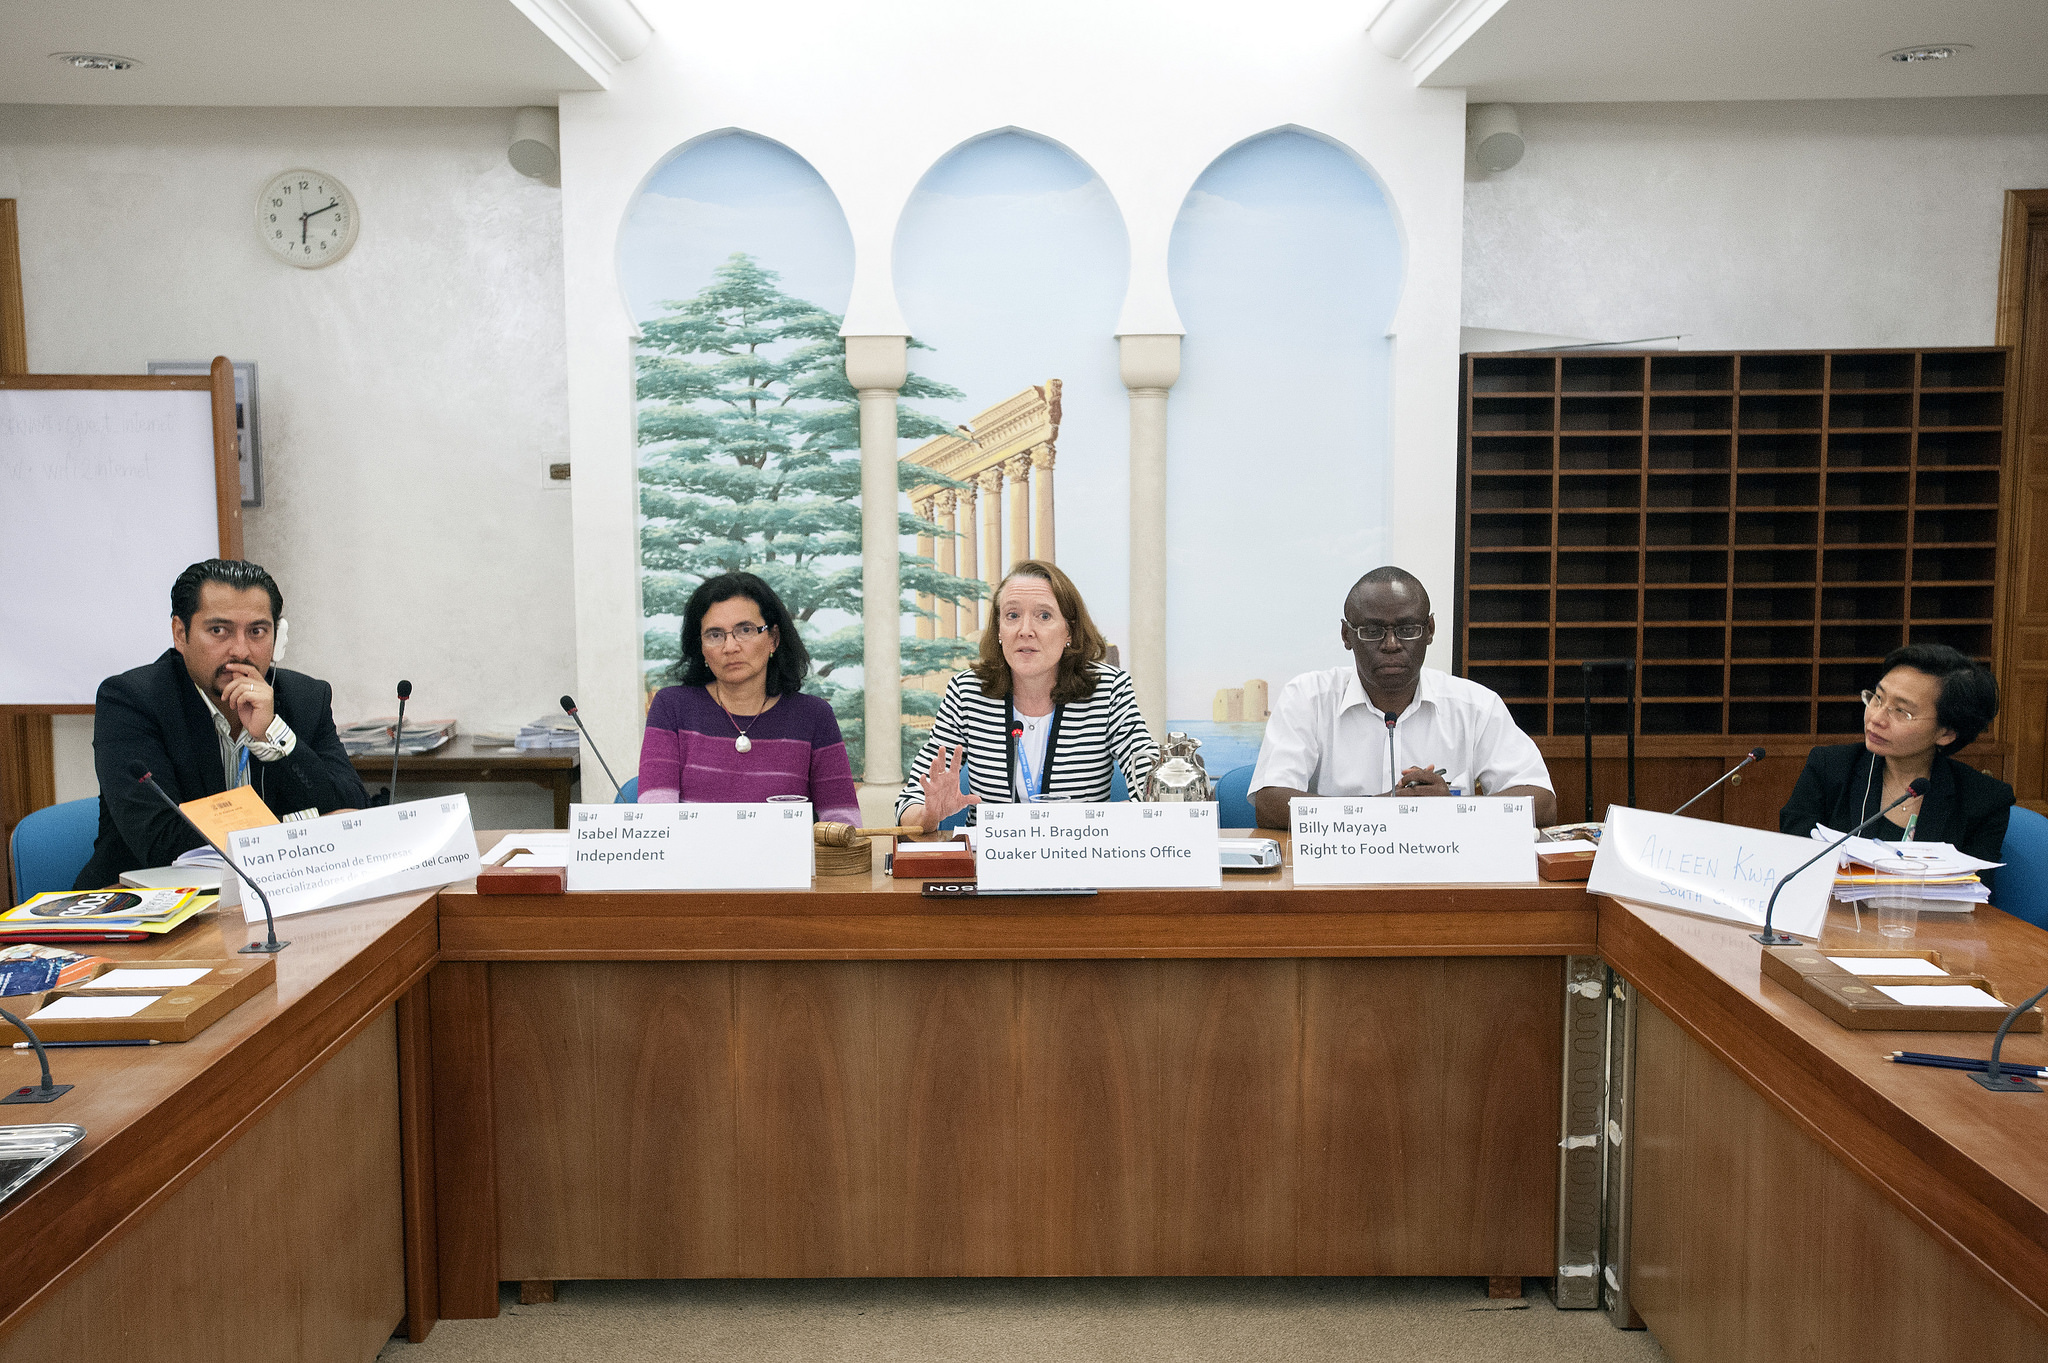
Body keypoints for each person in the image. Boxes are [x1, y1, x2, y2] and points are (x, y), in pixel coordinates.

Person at [75, 558, 367, 889]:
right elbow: (163, 843)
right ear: (180, 634)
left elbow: (351, 810)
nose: (241, 651)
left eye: (257, 631)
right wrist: (293, 829)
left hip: (270, 899)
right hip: (148, 913)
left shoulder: (305, 697)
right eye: (219, 631)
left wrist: (273, 732)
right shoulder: (133, 701)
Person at [1250, 566, 1556, 830]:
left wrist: (1454, 809)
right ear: (1346, 635)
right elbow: (1271, 803)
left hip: (1442, 875)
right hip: (1338, 875)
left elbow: (1542, 803)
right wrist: (1379, 810)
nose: (1392, 644)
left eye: (1408, 629)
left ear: (1430, 630)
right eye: (1372, 631)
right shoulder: (1307, 698)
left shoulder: (1474, 705)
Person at [897, 560, 1157, 827]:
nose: (1025, 631)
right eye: (1012, 616)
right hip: (991, 862)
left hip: (1080, 858)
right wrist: (929, 814)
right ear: (999, 629)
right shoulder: (967, 693)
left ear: (1069, 629)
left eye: (1044, 616)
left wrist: (1103, 824)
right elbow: (909, 804)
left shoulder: (1108, 690)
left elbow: (1155, 789)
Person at [638, 571, 861, 825]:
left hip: (785, 865)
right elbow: (655, 823)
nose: (730, 647)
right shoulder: (672, 708)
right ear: (700, 647)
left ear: (773, 639)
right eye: (714, 635)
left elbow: (844, 824)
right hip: (694, 864)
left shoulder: (813, 716)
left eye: (745, 630)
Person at [1780, 643, 2013, 879]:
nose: (1877, 717)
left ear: (1946, 734)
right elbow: (1792, 861)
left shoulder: (1984, 800)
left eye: (1901, 711)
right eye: (1878, 699)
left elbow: (1976, 894)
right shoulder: (1829, 768)